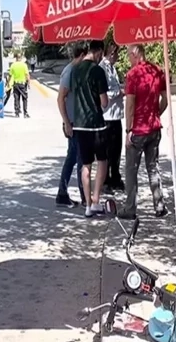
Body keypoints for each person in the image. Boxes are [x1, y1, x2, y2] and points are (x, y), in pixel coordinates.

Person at [118, 44, 169, 220]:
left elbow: (130, 104)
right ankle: (159, 205)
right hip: (154, 128)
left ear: (135, 54)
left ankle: (130, 208)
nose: (128, 60)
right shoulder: (157, 70)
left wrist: (128, 130)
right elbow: (165, 99)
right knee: (153, 167)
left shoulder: (133, 75)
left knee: (131, 170)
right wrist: (156, 114)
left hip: (138, 130)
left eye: (128, 56)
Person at [66, 40, 109, 217]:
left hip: (80, 126)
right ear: (98, 52)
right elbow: (104, 102)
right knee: (102, 161)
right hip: (96, 125)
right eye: (102, 55)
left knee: (85, 165)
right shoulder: (98, 71)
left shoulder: (74, 71)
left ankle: (88, 206)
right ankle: (97, 200)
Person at [55, 43, 87, 208]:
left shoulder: (75, 71)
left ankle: (63, 193)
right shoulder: (69, 71)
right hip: (72, 123)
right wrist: (67, 123)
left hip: (76, 122)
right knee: (79, 159)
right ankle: (84, 196)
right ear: (81, 56)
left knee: (73, 158)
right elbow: (60, 98)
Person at [99, 42, 124, 193]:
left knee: (116, 149)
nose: (118, 57)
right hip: (107, 115)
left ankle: (115, 177)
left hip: (116, 115)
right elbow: (104, 93)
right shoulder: (103, 68)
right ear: (112, 53)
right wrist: (119, 93)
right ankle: (106, 180)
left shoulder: (112, 68)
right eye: (117, 53)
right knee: (108, 150)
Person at [8, 52, 30, 118]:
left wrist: (8, 83)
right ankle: (25, 113)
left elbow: (10, 75)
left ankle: (17, 113)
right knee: (25, 98)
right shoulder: (24, 65)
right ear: (21, 58)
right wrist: (28, 83)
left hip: (15, 84)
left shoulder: (13, 65)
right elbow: (27, 75)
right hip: (23, 84)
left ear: (16, 58)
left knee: (16, 98)